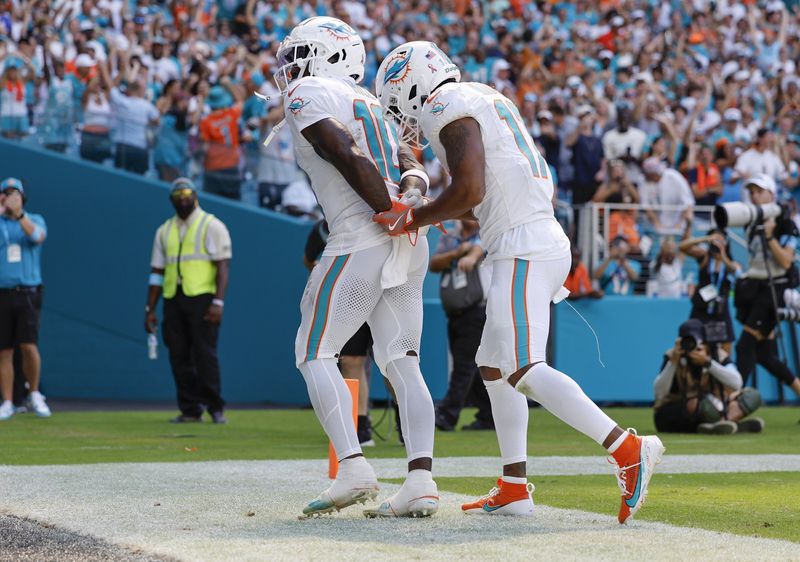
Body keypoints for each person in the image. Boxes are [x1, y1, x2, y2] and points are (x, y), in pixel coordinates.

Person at [377, 41, 664, 524]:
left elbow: (469, 189)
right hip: (531, 234)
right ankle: (513, 485)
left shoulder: (446, 104)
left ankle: (627, 447)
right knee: (492, 365)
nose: (402, 113)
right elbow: (481, 195)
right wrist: (439, 215)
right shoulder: (483, 96)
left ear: (413, 84)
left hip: (522, 243)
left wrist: (413, 217)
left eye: (398, 98)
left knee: (522, 367)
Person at [276, 17, 438, 519]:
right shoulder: (372, 102)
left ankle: (353, 466)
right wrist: (408, 200)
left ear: (329, 53)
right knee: (401, 361)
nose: (290, 67)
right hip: (411, 239)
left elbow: (343, 152)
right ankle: (420, 480)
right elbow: (413, 162)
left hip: (365, 233)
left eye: (300, 53)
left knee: (313, 348)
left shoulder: (308, 91)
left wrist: (386, 213)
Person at [145, 178, 232, 424]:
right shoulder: (164, 230)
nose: (182, 198)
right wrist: (150, 308)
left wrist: (218, 302)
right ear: (171, 199)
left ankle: (215, 407)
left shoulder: (211, 225)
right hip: (173, 298)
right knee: (178, 355)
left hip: (202, 298)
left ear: (195, 195)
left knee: (205, 354)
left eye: (187, 193)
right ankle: (190, 409)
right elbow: (157, 272)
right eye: (177, 194)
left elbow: (222, 266)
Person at [303, 219, 375, 447]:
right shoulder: (322, 229)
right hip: (347, 298)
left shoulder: (369, 218)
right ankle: (360, 424)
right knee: (352, 361)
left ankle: (405, 421)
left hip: (382, 291)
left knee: (394, 364)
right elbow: (308, 259)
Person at [733, 174, 800, 401]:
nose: (754, 196)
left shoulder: (785, 223)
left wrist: (770, 237)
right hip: (756, 289)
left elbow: (786, 262)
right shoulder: (751, 221)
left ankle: (734, 403)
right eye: (751, 192)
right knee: (764, 355)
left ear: (771, 194)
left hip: (774, 290)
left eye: (759, 191)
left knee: (745, 346)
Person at [429, 220, 494, 432]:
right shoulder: (451, 237)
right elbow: (434, 264)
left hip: (477, 311)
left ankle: (447, 415)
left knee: (463, 365)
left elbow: (477, 250)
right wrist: (457, 253)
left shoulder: (486, 232)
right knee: (471, 365)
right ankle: (488, 415)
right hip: (455, 312)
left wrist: (469, 255)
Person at [654, 320, 764, 434]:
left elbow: (737, 383)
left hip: (715, 406)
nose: (692, 348)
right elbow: (659, 392)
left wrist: (708, 363)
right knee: (697, 404)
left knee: (752, 396)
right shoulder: (673, 355)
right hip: (679, 412)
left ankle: (719, 424)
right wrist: (673, 363)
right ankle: (727, 424)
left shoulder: (716, 354)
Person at [0, 178, 49, 421]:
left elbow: (38, 237)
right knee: (4, 350)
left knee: (29, 345)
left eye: (15, 194)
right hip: (3, 293)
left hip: (28, 292)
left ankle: (35, 393)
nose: (11, 198)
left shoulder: (34, 219)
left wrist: (19, 216)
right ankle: (8, 401)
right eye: (6, 194)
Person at [680, 227, 740, 353]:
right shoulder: (704, 257)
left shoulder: (730, 262)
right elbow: (683, 247)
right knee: (694, 344)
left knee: (726, 349)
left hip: (720, 310)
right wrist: (706, 238)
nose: (717, 242)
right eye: (715, 239)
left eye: (720, 239)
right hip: (702, 307)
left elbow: (735, 271)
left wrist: (722, 253)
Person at [199, 82, 244, 200]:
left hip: (213, 168)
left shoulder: (206, 122)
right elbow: (240, 102)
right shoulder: (231, 114)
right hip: (231, 166)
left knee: (212, 205)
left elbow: (205, 147)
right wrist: (228, 84)